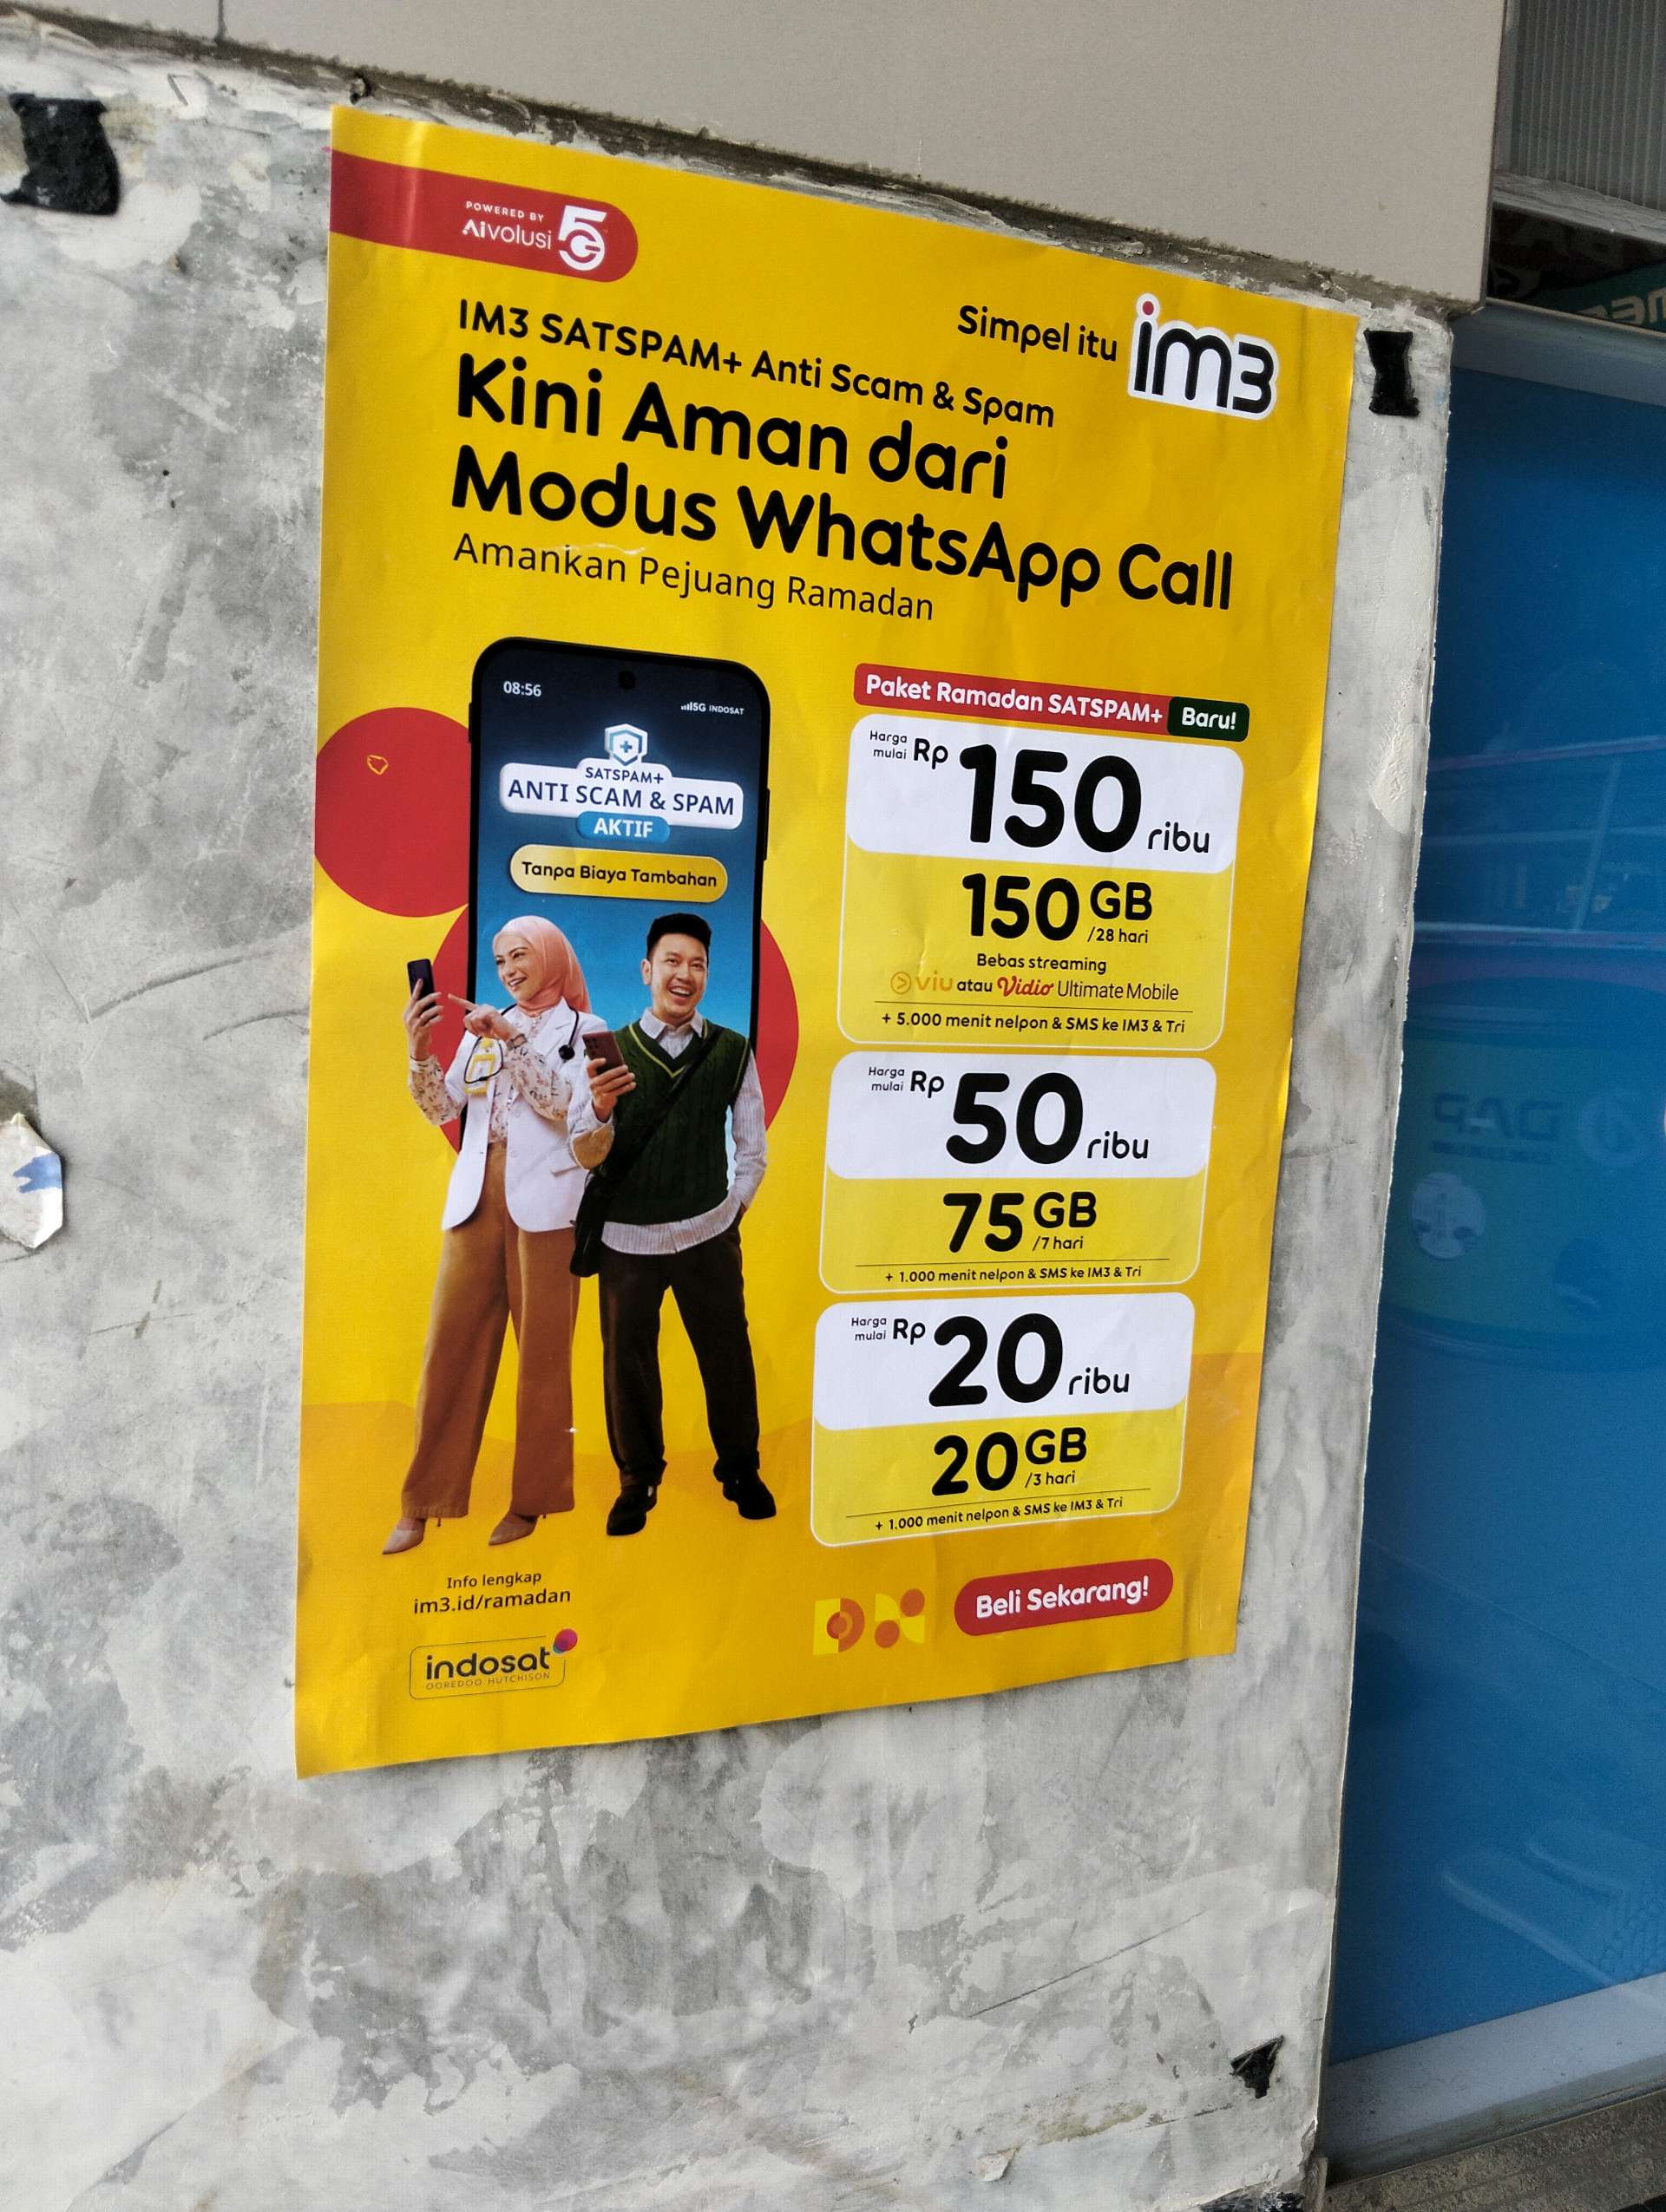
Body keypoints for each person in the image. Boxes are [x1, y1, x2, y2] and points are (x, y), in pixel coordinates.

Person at [384, 916, 613, 1556]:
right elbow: (443, 1109)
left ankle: (532, 1501)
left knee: (543, 1359)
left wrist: (511, 1039)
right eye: (501, 960)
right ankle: (422, 1501)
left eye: (520, 956)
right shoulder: (481, 1027)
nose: (509, 970)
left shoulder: (586, 1030)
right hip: (477, 1195)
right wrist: (419, 1051)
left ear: (552, 958)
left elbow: (564, 1108)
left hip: (549, 1208)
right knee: (448, 1348)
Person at [570, 912, 773, 1535]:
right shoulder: (608, 1050)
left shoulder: (733, 1050)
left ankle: (740, 1469)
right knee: (626, 1363)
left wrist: (731, 1212)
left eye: (697, 965)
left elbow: (753, 1149)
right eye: (672, 962)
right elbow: (583, 1152)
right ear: (647, 970)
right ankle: (637, 1480)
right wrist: (600, 1107)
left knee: (728, 1355)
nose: (684, 975)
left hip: (709, 1234)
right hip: (626, 1239)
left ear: (708, 975)